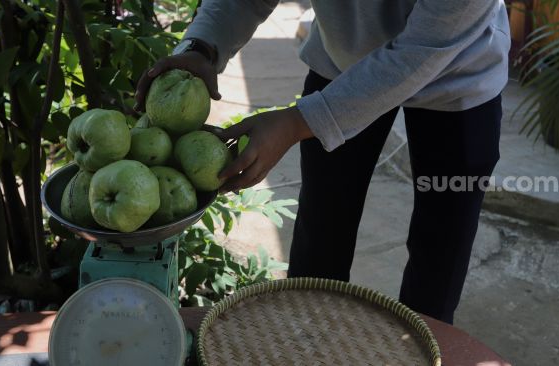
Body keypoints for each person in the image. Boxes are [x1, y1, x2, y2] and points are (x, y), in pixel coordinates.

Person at [135, 0, 511, 324]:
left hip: (460, 75)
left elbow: (425, 47)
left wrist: (298, 123)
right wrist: (201, 46)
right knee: (321, 239)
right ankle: (307, 342)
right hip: (341, 64)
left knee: (441, 254)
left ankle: (431, 349)